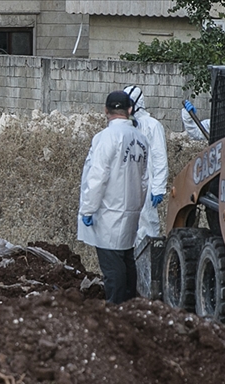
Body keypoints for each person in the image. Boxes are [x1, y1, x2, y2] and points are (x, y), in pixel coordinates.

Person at [78, 91, 149, 304]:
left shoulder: (107, 137)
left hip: (109, 210)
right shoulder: (141, 138)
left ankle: (116, 308)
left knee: (113, 265)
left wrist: (88, 209)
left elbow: (97, 176)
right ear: (129, 110)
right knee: (127, 259)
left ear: (105, 111)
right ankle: (130, 304)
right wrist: (138, 203)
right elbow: (145, 179)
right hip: (131, 209)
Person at [124, 85, 168, 246]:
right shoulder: (125, 126)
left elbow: (159, 158)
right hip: (127, 184)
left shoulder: (152, 126)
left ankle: (148, 266)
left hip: (146, 185)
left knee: (148, 226)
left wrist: (158, 187)